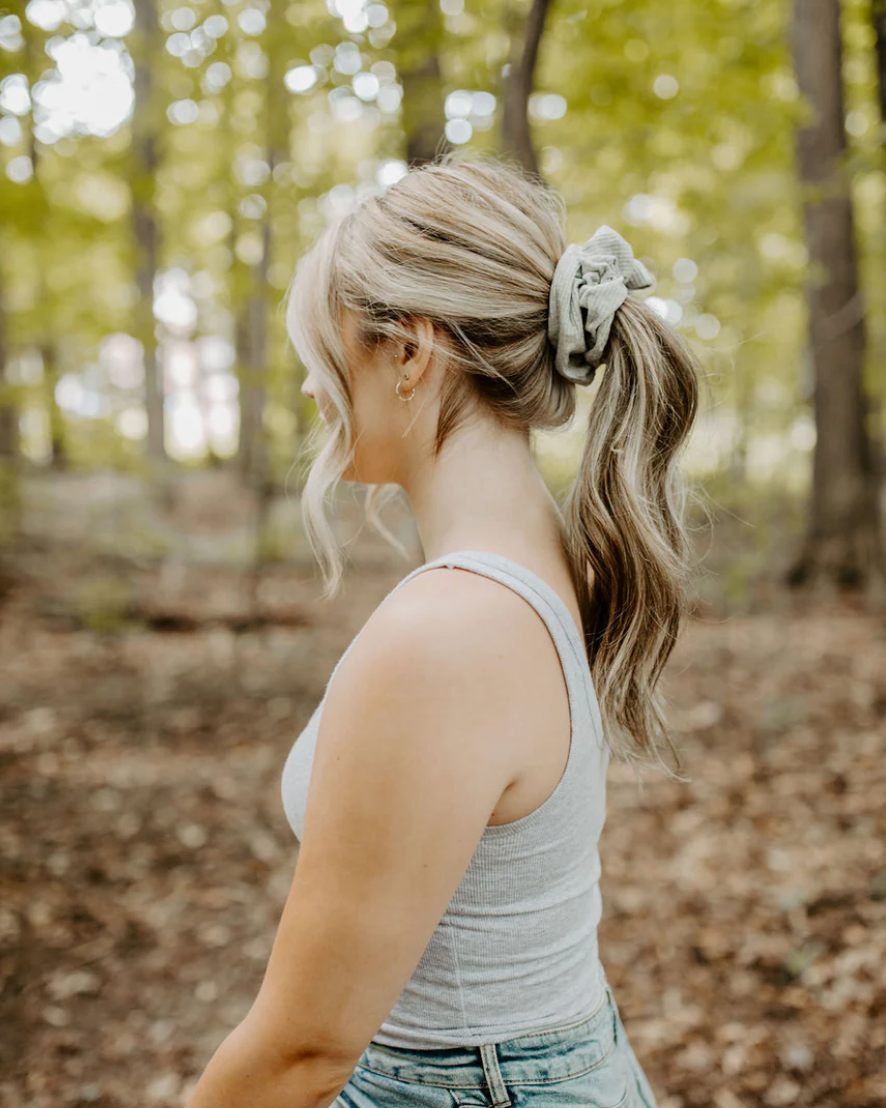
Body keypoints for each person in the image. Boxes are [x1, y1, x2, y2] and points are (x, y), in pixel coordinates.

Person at [186, 151, 702, 1108]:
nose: (311, 388)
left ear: (411, 353)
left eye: (323, 350)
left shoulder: (448, 632)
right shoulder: (548, 553)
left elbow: (303, 1052)